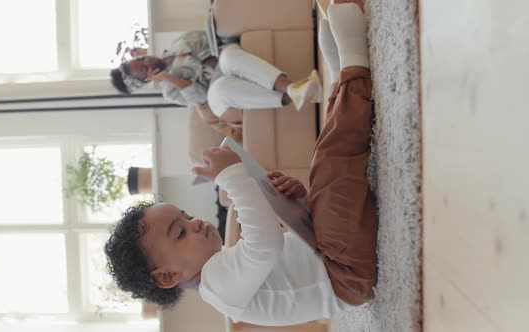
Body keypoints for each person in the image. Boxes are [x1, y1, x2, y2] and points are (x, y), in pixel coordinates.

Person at [104, 2, 378, 326]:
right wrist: (232, 177)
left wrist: (299, 204)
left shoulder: (223, 271)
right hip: (347, 274)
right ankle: (353, 73)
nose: (196, 223)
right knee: (331, 166)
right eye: (180, 233)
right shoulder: (219, 286)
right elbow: (266, 244)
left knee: (322, 170)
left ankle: (339, 90)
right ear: (167, 276)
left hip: (333, 256)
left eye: (187, 217)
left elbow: (292, 248)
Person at [109, 30, 322, 122]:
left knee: (229, 55)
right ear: (147, 80)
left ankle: (293, 90)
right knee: (219, 89)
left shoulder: (179, 43)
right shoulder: (169, 91)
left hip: (224, 62)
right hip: (215, 95)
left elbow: (213, 39)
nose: (148, 62)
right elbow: (200, 97)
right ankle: (291, 95)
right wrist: (167, 77)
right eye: (144, 69)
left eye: (142, 60)